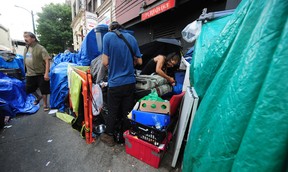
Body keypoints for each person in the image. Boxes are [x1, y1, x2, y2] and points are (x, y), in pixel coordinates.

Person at [100, 21, 142, 146]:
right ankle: (125, 137)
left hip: (115, 83)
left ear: (111, 29)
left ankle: (109, 136)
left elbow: (104, 62)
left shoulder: (107, 36)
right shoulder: (132, 38)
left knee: (113, 111)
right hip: (129, 83)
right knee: (127, 111)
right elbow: (140, 61)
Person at [23, 31, 51, 111]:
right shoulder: (26, 48)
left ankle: (45, 104)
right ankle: (38, 97)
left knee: (44, 89)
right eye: (24, 37)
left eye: (27, 37)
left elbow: (47, 60)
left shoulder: (40, 48)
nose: (25, 39)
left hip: (40, 73)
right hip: (30, 73)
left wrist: (46, 73)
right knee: (29, 89)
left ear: (33, 39)